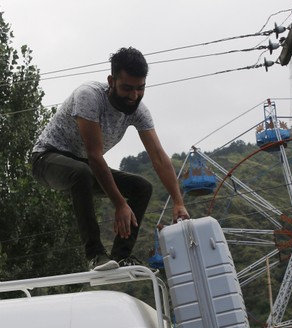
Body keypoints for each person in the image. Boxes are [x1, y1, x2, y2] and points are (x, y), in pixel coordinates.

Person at [31, 47, 189, 271]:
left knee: (142, 187)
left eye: (140, 88)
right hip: (46, 159)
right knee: (82, 172)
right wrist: (120, 203)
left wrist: (178, 202)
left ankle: (121, 256)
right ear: (111, 81)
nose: (134, 96)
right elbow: (95, 156)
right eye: (127, 88)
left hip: (83, 164)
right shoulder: (89, 96)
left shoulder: (139, 111)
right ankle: (95, 255)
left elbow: (158, 157)